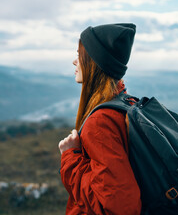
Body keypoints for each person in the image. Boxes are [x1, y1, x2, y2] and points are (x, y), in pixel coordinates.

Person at [58, 23, 142, 214]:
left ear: (94, 62)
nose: (74, 61)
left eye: (79, 56)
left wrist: (70, 157)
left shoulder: (100, 122)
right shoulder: (125, 104)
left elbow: (119, 207)